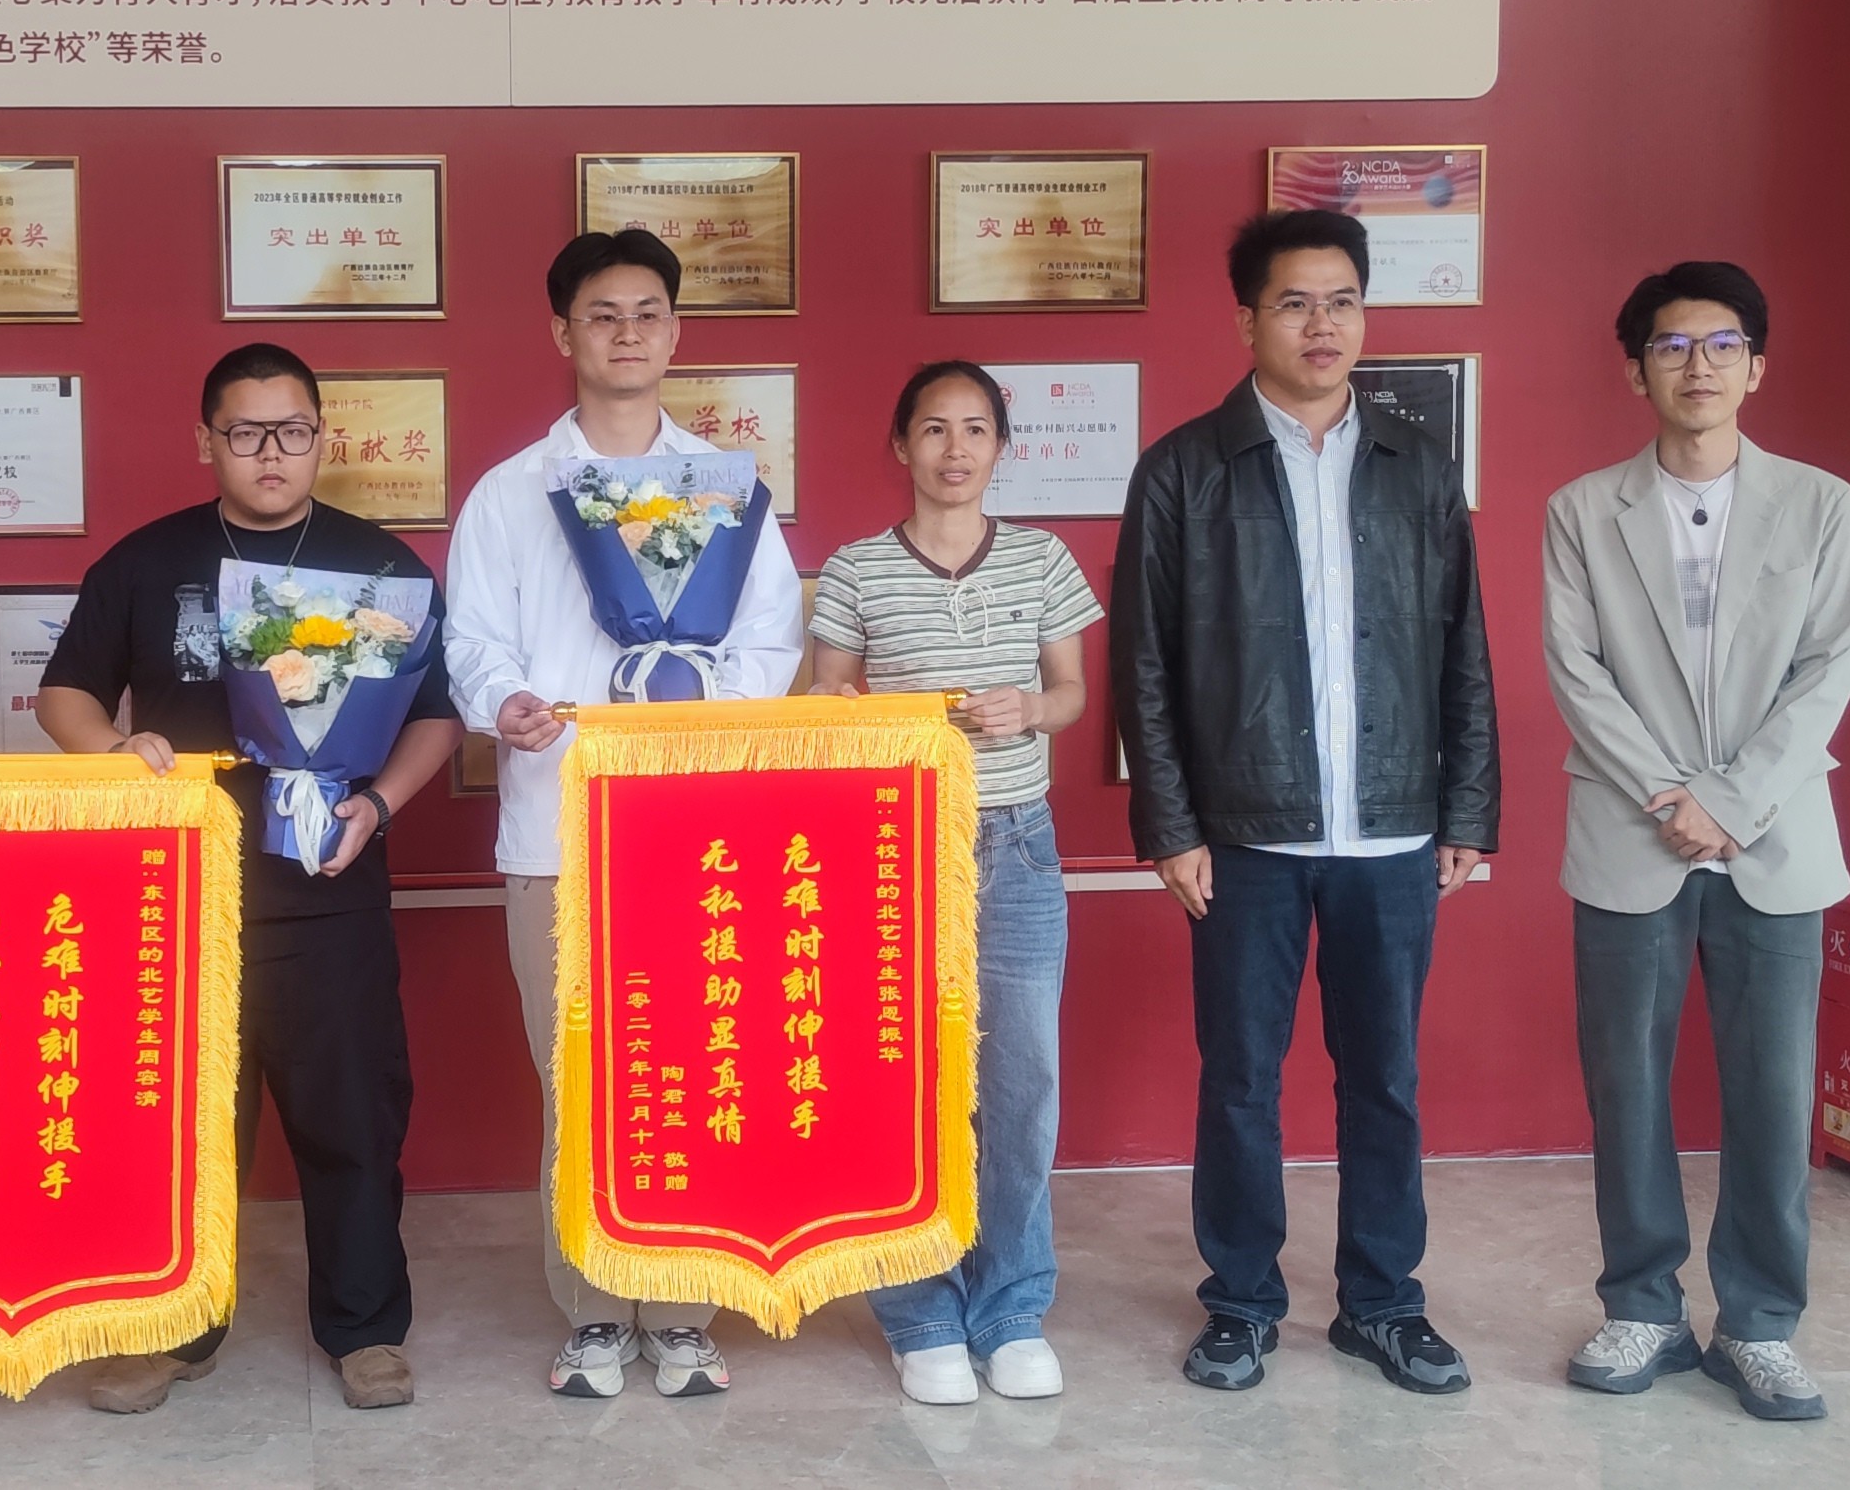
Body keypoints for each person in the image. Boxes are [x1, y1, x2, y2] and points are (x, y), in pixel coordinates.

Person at [1113, 209, 1497, 1400]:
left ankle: (1382, 1301)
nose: (1320, 323)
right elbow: (1143, 664)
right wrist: (1170, 825)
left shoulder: (1417, 466)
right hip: (1245, 831)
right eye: (1293, 301)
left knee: (1384, 1076)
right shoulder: (1183, 468)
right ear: (1246, 319)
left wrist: (1467, 807)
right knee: (1239, 1076)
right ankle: (1239, 1301)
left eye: (1341, 299)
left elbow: (1462, 647)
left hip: (1391, 826)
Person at [36, 344, 463, 1415]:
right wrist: (112, 752)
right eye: (246, 431)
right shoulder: (146, 561)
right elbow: (64, 692)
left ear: (322, 438)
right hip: (178, 898)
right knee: (177, 1120)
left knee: (353, 1114)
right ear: (206, 441)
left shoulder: (382, 568)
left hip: (328, 887)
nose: (271, 452)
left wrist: (379, 804)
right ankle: (170, 1330)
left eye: (293, 431)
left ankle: (365, 1328)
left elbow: (436, 716)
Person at [445, 229, 803, 1401]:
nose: (628, 333)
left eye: (648, 311)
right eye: (603, 313)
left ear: (676, 331)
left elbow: (772, 638)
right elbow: (472, 637)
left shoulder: (730, 489)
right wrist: (504, 701)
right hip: (556, 827)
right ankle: (595, 1307)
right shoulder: (511, 491)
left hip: (696, 831)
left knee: (694, 1064)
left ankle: (685, 1309)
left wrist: (698, 708)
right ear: (563, 332)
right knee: (579, 1076)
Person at [1541, 264, 1850, 1423]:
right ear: (1636, 370)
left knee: (1772, 1092)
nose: (1697, 365)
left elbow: (1828, 664)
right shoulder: (1582, 509)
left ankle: (1761, 1322)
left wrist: (1729, 799)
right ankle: (1642, 1303)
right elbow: (1574, 668)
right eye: (1671, 346)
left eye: (1721, 344)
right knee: (1625, 1082)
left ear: (1756, 367)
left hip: (1775, 836)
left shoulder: (1821, 504)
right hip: (1629, 831)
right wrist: (1668, 794)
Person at [805, 362, 1101, 1407]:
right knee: (899, 1084)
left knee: (1021, 1087)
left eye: (976, 429)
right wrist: (854, 711)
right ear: (901, 445)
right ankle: (920, 1312)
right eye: (934, 428)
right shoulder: (854, 569)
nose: (955, 448)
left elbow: (1071, 691)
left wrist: (1033, 707)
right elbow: (822, 696)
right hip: (891, 851)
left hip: (1016, 844)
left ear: (1000, 447)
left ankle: (1012, 1308)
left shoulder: (1041, 556)